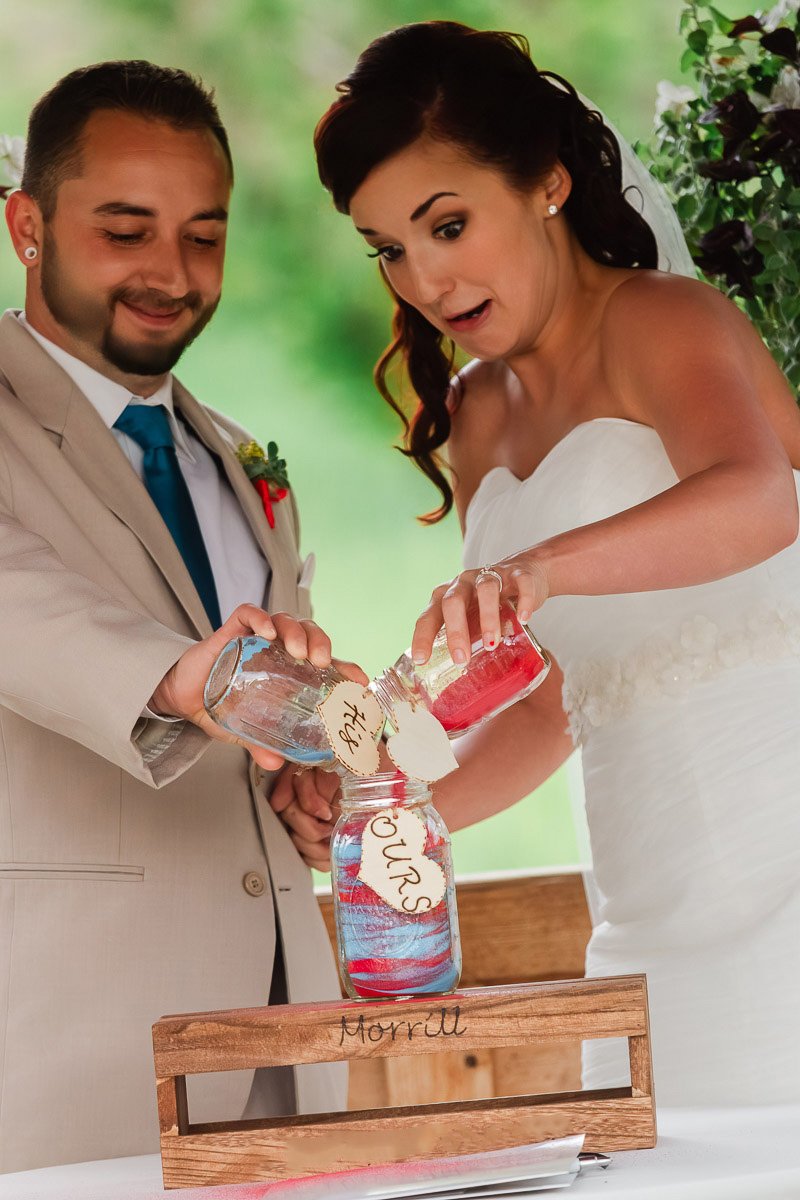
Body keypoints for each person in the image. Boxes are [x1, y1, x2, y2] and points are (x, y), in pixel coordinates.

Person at [281, 21, 800, 1106]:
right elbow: (542, 699)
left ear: (548, 184)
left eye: (447, 224)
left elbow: (758, 497)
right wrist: (386, 801)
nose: (422, 277)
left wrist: (539, 569)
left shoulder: (663, 320)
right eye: (387, 247)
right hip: (648, 910)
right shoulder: (474, 417)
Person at [0, 61, 351, 1173]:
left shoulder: (239, 452)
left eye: (203, 235)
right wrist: (189, 680)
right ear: (27, 226)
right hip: (65, 1049)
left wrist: (309, 768)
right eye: (125, 230)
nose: (172, 272)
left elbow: (262, 692)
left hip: (285, 1041)